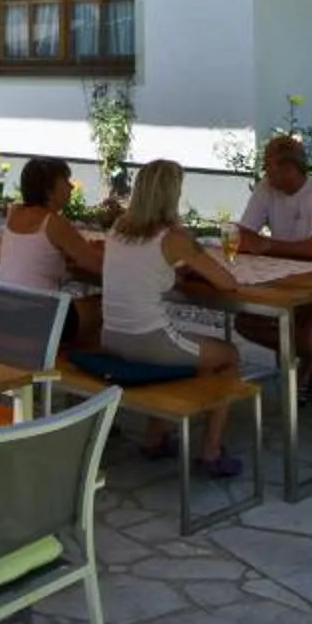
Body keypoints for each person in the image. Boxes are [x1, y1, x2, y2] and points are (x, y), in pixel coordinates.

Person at [101, 158, 245, 478]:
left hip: (111, 337)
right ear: (172, 194)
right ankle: (211, 451)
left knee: (181, 349)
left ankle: (156, 436)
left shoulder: (118, 229)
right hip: (149, 340)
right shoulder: (173, 238)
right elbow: (227, 282)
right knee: (228, 355)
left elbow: (149, 271)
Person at [234, 131, 312, 405]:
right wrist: (261, 244)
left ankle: (311, 368)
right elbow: (243, 234)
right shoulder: (267, 187)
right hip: (290, 274)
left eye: (268, 164)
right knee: (246, 320)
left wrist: (267, 246)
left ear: (288, 167)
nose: (263, 170)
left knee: (307, 333)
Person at [0, 155, 106, 347]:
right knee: (108, 305)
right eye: (66, 181)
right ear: (49, 189)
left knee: (78, 307)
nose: (72, 187)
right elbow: (98, 266)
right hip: (38, 319)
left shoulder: (14, 214)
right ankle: (84, 364)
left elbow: (38, 254)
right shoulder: (53, 223)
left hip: (2, 315)